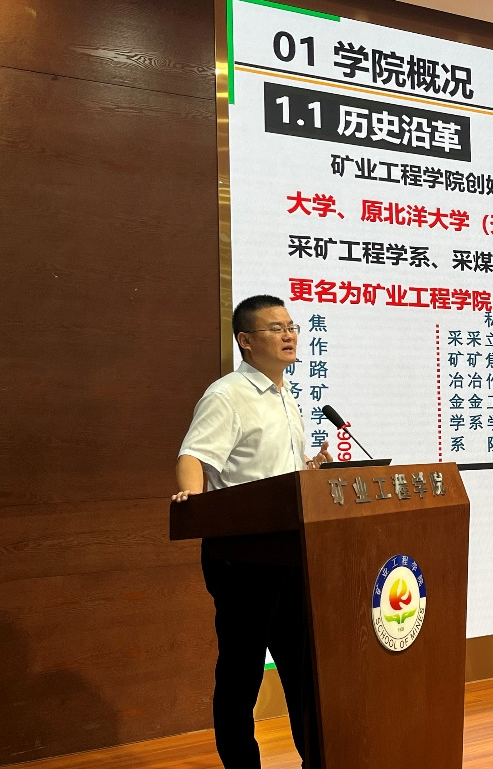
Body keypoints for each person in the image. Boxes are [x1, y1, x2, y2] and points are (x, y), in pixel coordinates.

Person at [172, 294, 331, 769]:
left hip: (290, 550)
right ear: (245, 340)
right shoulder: (227, 395)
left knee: (302, 669)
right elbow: (194, 456)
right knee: (241, 672)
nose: (289, 335)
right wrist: (193, 499)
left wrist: (310, 470)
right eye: (275, 328)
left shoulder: (285, 395)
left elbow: (273, 474)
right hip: (241, 556)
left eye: (291, 326)